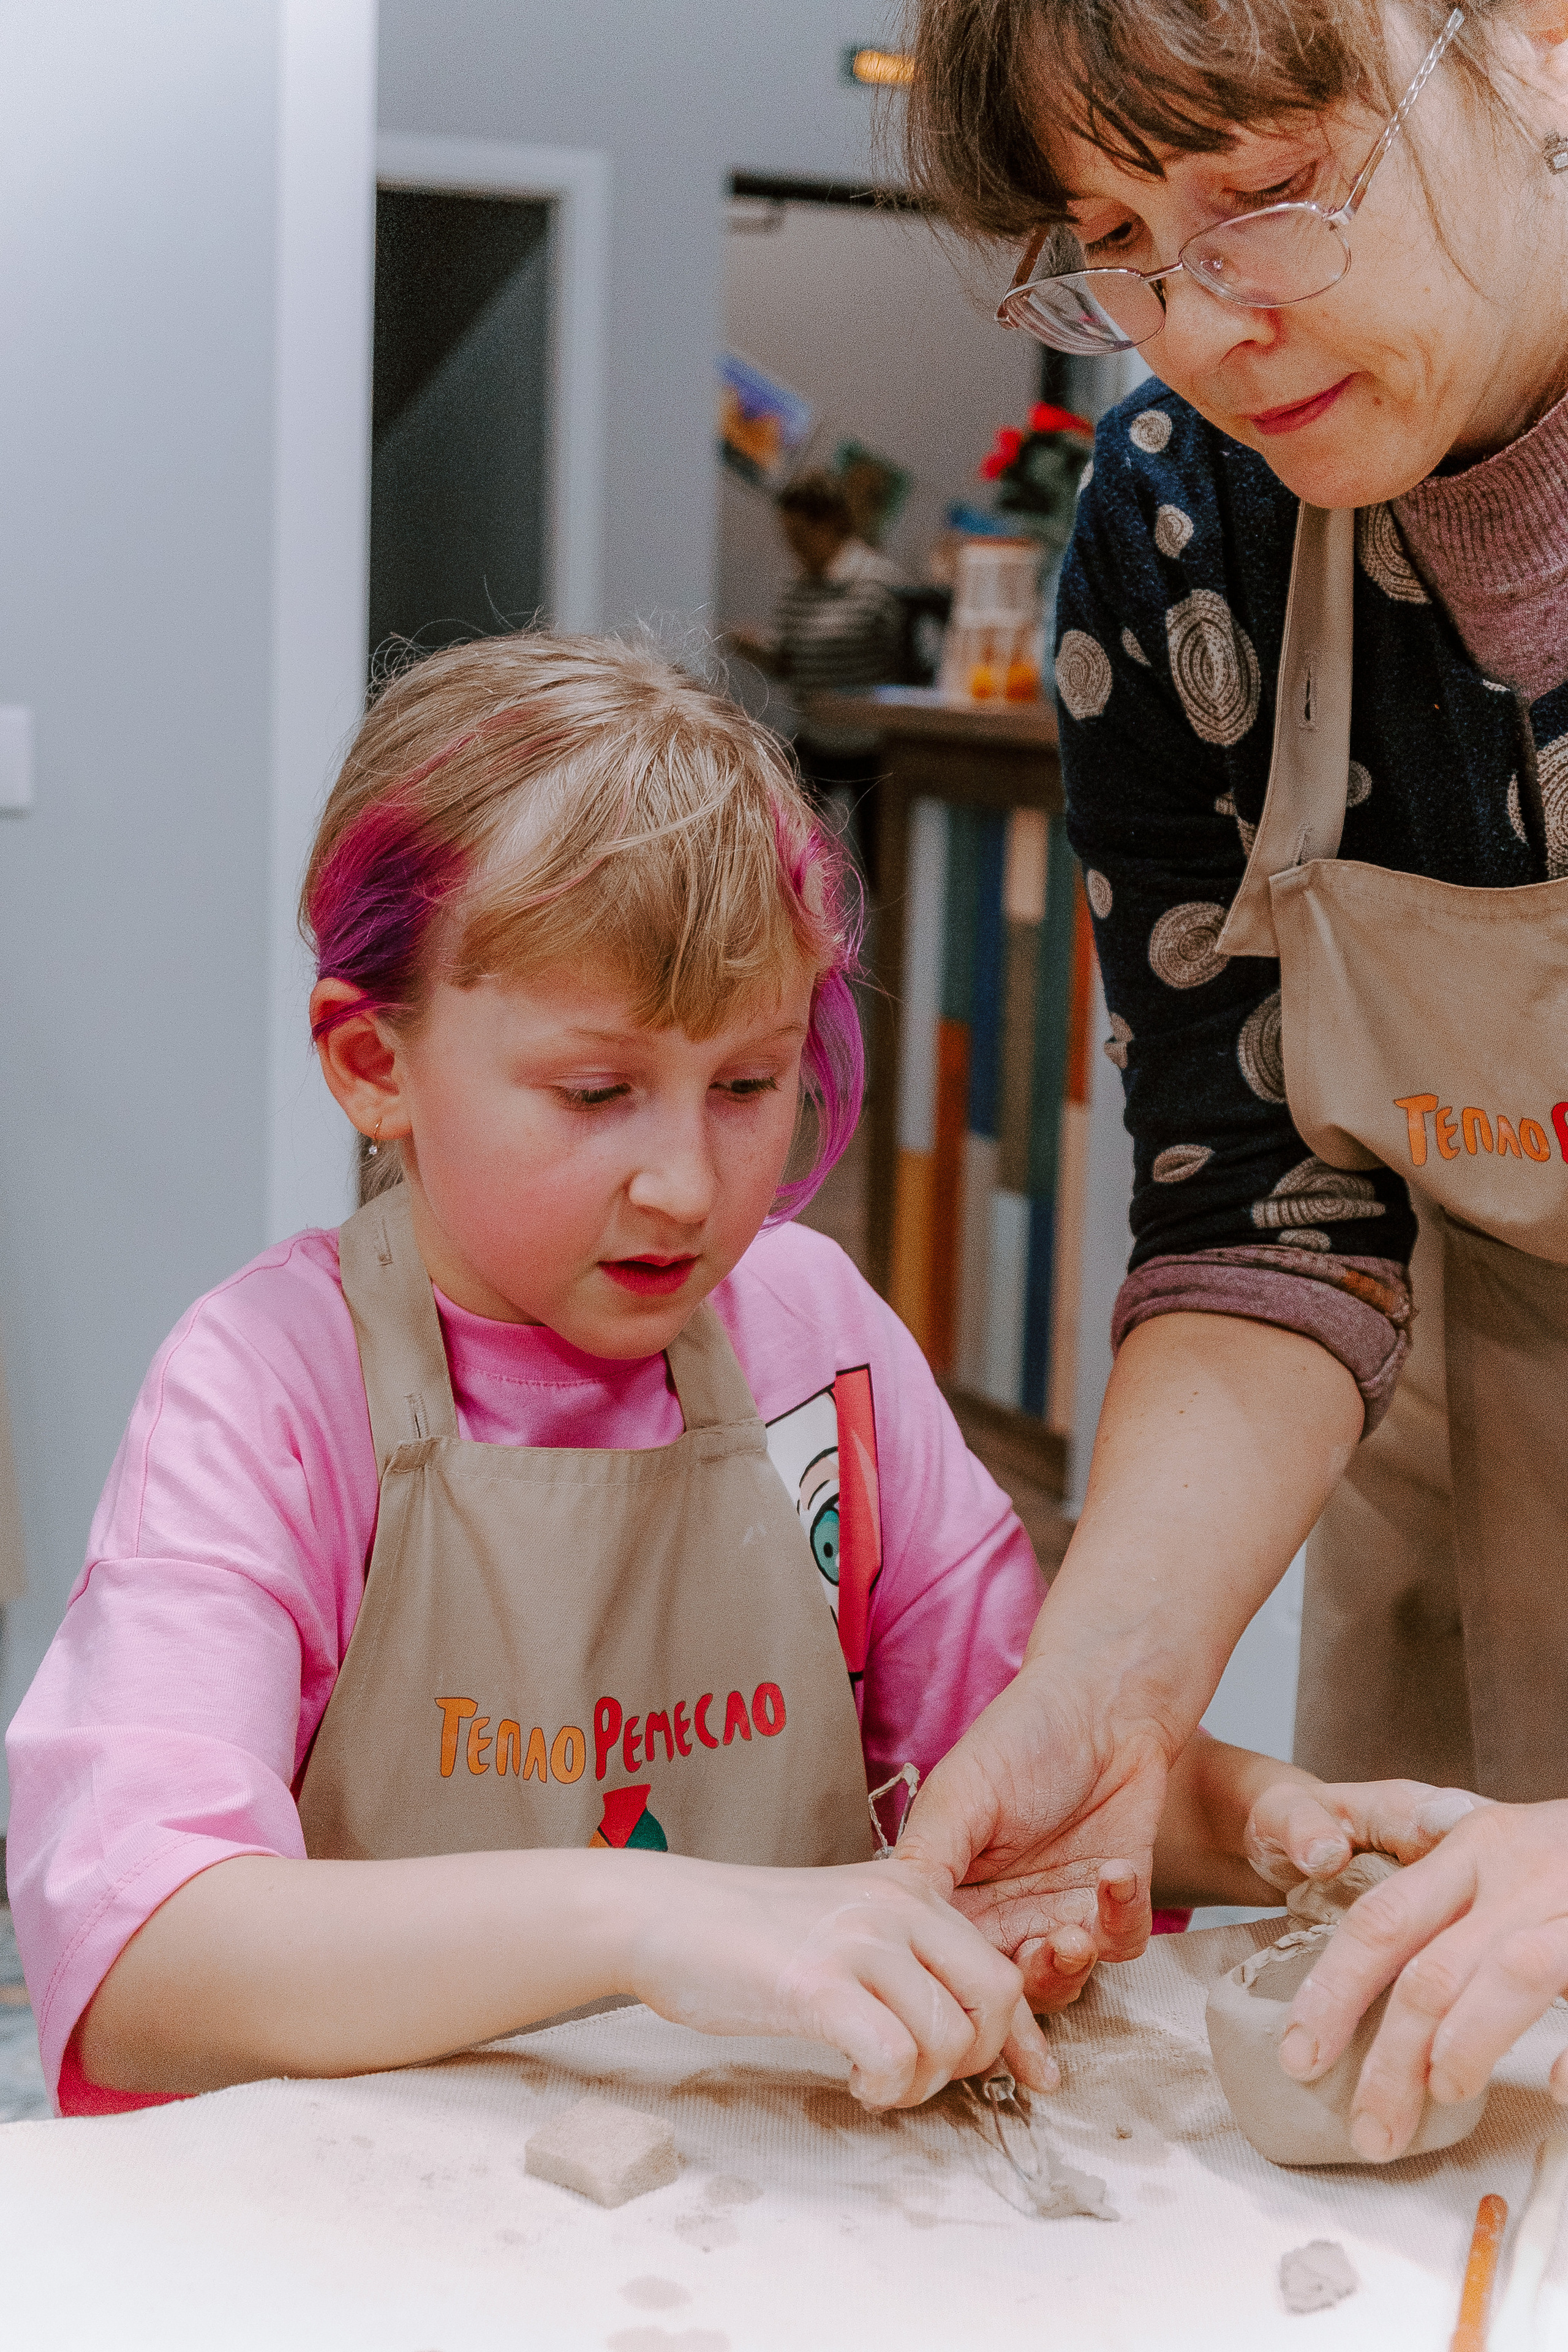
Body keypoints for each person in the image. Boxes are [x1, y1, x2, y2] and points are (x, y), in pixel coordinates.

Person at [7, 631, 1439, 2117]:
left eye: (749, 1083)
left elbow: (1022, 1754)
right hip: (378, 2228)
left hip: (764, 2195)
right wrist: (648, 1920)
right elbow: (141, 1966)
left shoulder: (813, 1334)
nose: (689, 1185)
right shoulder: (272, 1390)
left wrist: (1264, 1814)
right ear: (374, 1062)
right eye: (595, 1092)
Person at [894, 0, 1568, 2163]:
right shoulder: (1187, 529)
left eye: (1268, 195)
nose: (1197, 324)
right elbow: (1260, 1197)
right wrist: (1105, 1698)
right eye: (1113, 243)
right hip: (1482, 1446)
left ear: (1537, 46)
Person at [726, 472, 903, 881]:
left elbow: (908, 662)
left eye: (800, 535)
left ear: (829, 525)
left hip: (872, 745)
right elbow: (793, 663)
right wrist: (755, 649)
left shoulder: (878, 583)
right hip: (817, 736)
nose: (792, 547)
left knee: (884, 866)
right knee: (775, 847)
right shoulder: (796, 588)